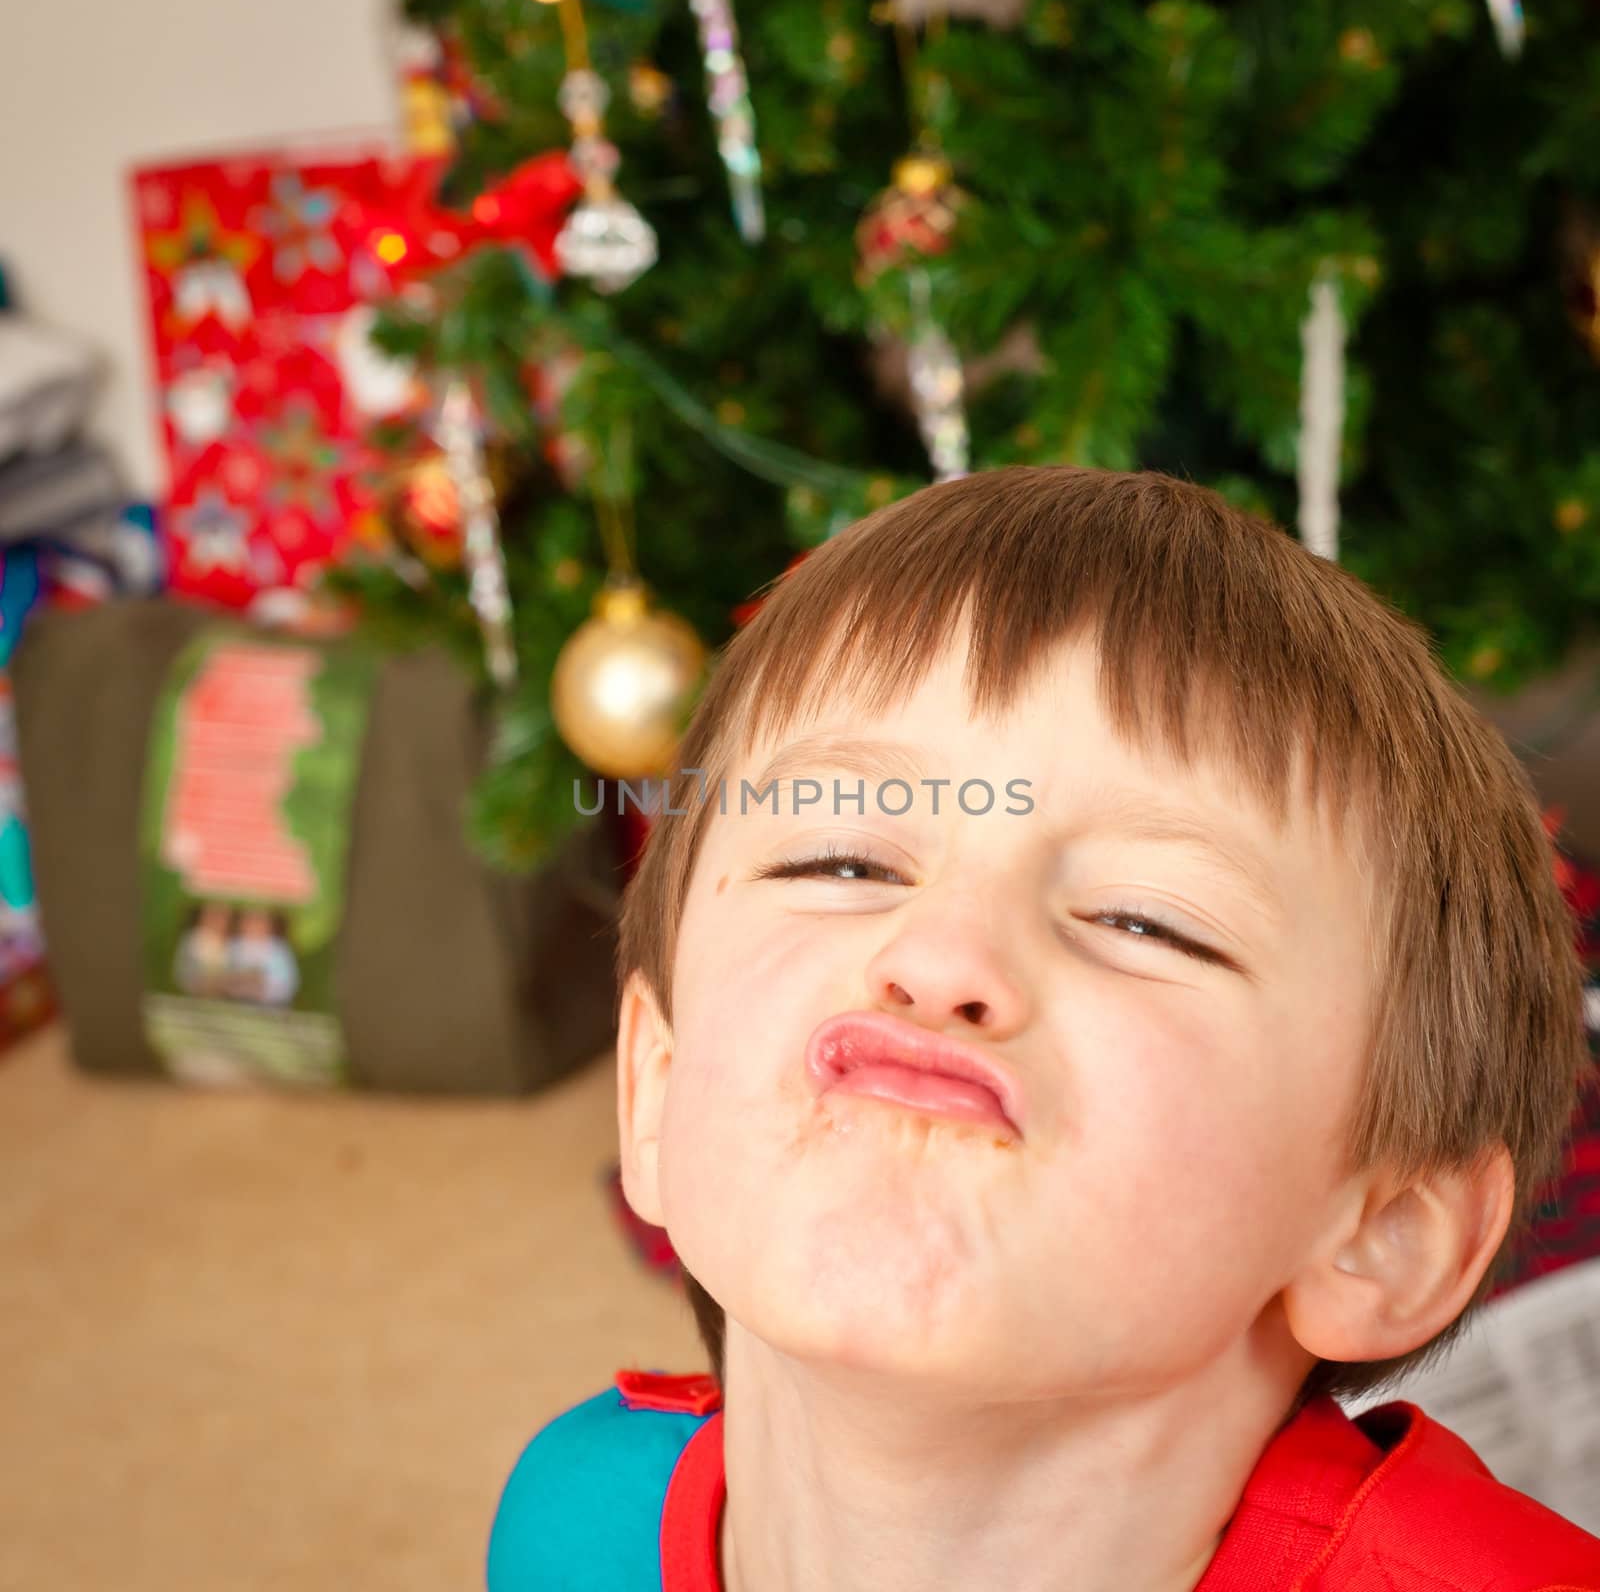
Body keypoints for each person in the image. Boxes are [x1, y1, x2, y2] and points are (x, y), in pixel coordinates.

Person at [486, 467, 1600, 1590]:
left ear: (1382, 1231)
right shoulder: (572, 1525)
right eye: (842, 859)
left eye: (1142, 920)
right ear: (654, 1091)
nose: (938, 957)